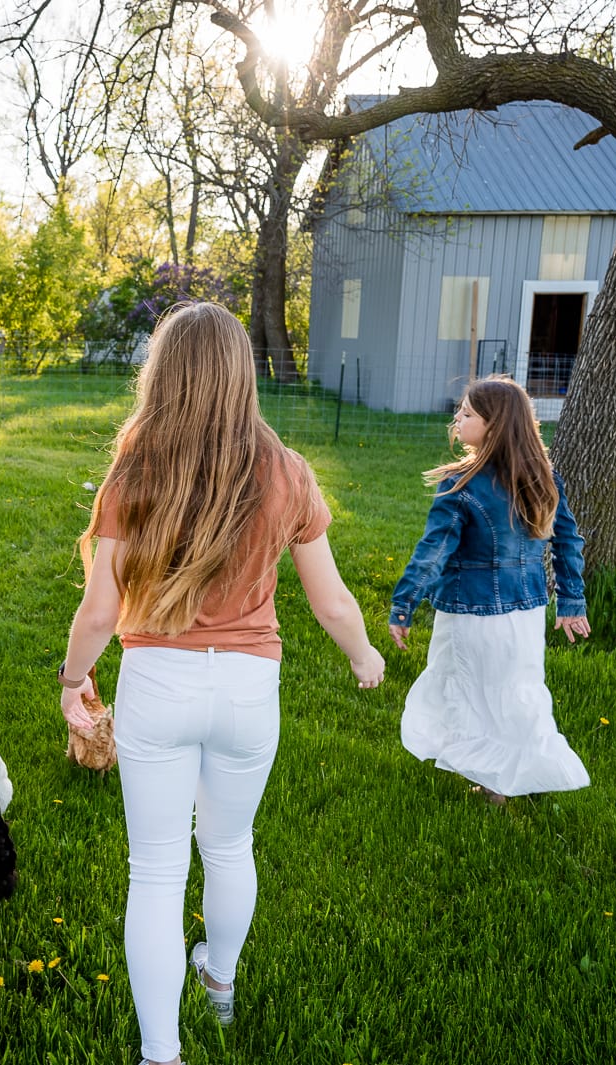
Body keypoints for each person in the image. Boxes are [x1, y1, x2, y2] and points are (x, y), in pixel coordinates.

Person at [58, 302, 385, 1065]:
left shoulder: (134, 470)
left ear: (162, 374)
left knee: (157, 869)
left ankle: (161, 1054)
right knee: (231, 844)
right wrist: (364, 655)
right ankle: (221, 980)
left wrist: (73, 679)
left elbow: (100, 607)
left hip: (158, 684)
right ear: (242, 374)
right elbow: (331, 600)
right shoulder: (286, 471)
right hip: (247, 692)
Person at [387, 375, 591, 803]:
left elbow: (433, 550)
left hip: (471, 611)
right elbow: (567, 540)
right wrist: (571, 601)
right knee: (515, 690)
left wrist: (404, 603)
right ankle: (509, 773)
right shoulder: (541, 476)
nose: (456, 419)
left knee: (467, 689)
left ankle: (494, 778)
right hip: (526, 612)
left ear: (494, 425)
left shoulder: (462, 484)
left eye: (466, 413)